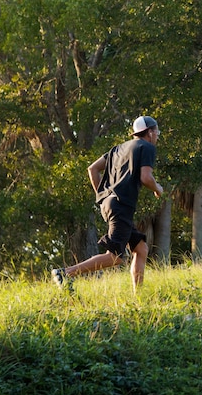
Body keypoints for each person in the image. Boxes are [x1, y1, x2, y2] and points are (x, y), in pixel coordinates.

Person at [52, 115, 164, 294]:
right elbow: (146, 177)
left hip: (111, 204)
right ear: (149, 132)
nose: (157, 136)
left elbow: (92, 169)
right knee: (115, 257)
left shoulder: (117, 149)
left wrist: (103, 196)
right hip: (121, 206)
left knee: (141, 248)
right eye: (157, 132)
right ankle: (65, 273)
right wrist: (158, 188)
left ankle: (139, 297)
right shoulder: (147, 147)